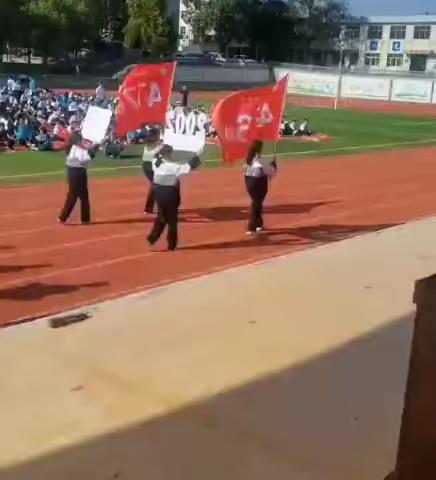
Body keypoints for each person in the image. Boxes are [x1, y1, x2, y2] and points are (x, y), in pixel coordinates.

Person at [146, 145, 201, 251]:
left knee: (161, 217)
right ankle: (171, 245)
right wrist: (197, 155)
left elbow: (155, 152)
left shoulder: (155, 161)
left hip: (158, 192)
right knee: (172, 220)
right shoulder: (171, 166)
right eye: (170, 153)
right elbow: (187, 168)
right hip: (170, 194)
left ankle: (152, 238)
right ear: (167, 154)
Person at [58, 134, 100, 225]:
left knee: (83, 195)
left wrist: (93, 148)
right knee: (73, 196)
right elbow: (84, 158)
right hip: (77, 172)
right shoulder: (77, 148)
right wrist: (93, 151)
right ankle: (63, 217)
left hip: (75, 171)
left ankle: (85, 219)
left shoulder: (73, 147)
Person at [244, 140, 276, 235]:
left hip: (249, 181)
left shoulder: (249, 159)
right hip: (258, 183)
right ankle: (252, 226)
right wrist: (273, 164)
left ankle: (258, 224)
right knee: (256, 204)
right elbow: (270, 172)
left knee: (257, 202)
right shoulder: (259, 160)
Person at [142, 127, 163, 214]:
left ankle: (149, 208)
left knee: (155, 186)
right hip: (148, 166)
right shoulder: (149, 144)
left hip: (153, 166)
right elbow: (154, 151)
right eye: (157, 135)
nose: (159, 136)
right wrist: (162, 145)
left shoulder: (154, 142)